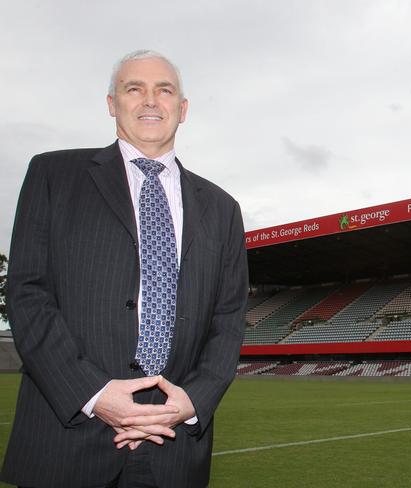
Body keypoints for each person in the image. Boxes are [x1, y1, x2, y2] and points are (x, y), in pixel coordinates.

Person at [1, 50, 249, 488]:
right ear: (112, 103)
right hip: (67, 443)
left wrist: (194, 399)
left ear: (183, 108)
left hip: (173, 451)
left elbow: (228, 320)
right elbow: (27, 294)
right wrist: (94, 395)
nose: (150, 100)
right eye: (134, 89)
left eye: (164, 90)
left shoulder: (223, 209)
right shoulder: (53, 175)